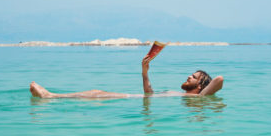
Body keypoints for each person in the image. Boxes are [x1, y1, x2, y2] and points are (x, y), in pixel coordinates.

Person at [30, 55, 223, 99]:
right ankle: (51, 96)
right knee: (96, 94)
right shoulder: (187, 98)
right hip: (140, 99)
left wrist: (203, 92)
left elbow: (219, 80)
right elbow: (149, 93)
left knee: (96, 94)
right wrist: (145, 71)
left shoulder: (198, 98)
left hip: (132, 101)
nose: (189, 76)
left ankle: (50, 96)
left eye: (194, 76)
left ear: (201, 85)